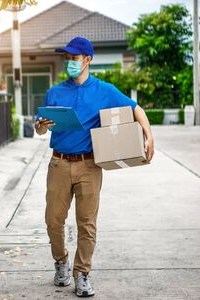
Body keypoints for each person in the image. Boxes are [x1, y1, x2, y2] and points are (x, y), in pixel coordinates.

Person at [34, 37, 154, 297]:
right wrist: (41, 126)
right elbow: (40, 129)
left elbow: (137, 109)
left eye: (74, 59)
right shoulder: (54, 92)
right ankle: (61, 261)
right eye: (67, 59)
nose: (69, 63)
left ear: (87, 60)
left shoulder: (105, 90)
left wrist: (148, 134)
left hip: (89, 165)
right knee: (53, 221)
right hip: (59, 163)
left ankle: (82, 274)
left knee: (87, 223)